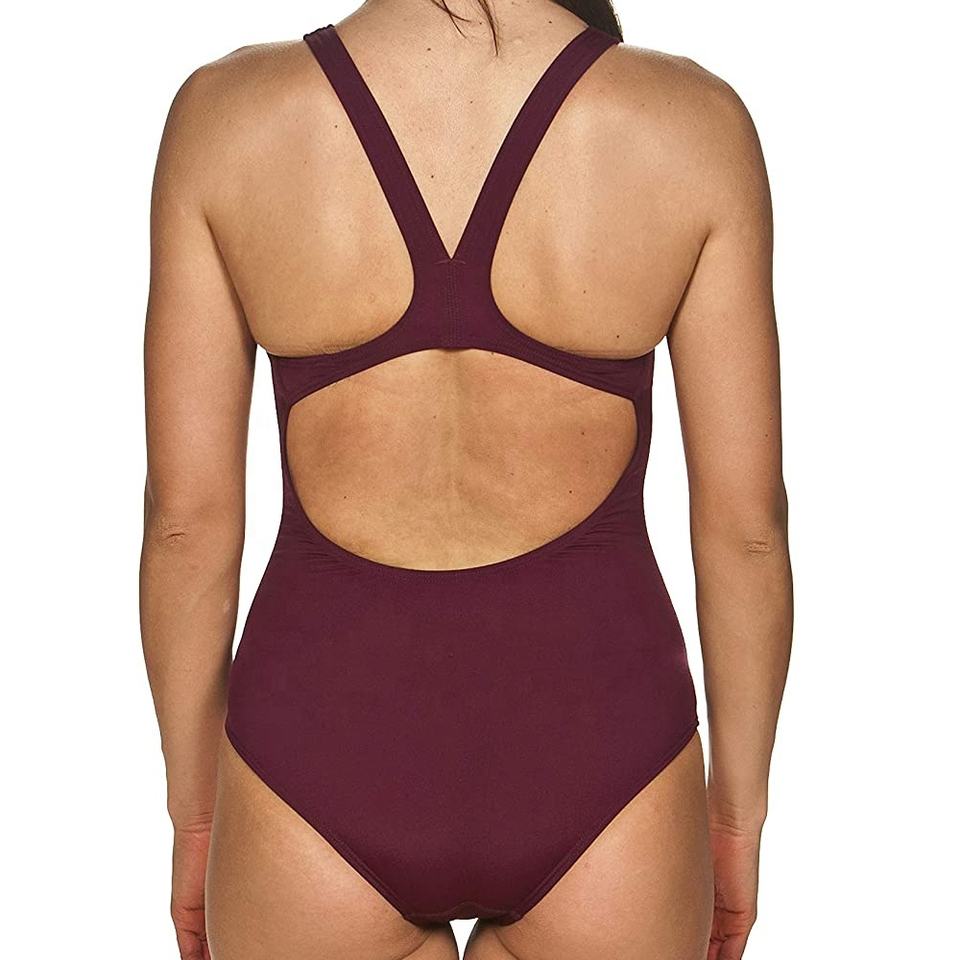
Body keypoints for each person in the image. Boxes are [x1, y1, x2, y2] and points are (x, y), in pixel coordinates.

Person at [139, 0, 793, 957]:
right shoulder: (690, 125)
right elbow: (748, 532)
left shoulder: (228, 117)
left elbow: (185, 526)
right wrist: (733, 823)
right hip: (607, 755)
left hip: (314, 754)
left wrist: (198, 821)